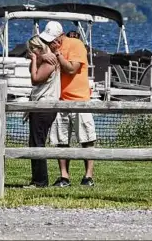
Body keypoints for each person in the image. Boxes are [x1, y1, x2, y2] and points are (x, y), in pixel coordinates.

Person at [39, 21, 97, 187]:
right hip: (60, 99)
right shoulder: (49, 47)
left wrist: (57, 55)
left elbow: (72, 69)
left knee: (86, 139)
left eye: (52, 40)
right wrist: (42, 55)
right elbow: (32, 50)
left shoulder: (76, 45)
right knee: (60, 139)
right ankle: (64, 176)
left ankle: (88, 176)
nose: (50, 43)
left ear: (60, 36)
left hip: (79, 99)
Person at [25, 35, 60, 187]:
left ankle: (40, 181)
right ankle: (38, 178)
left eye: (33, 49)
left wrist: (35, 60)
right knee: (34, 142)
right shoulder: (44, 59)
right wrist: (37, 59)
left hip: (44, 106)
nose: (30, 52)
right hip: (39, 105)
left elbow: (35, 78)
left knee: (37, 142)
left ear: (38, 48)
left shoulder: (49, 62)